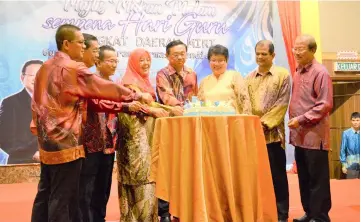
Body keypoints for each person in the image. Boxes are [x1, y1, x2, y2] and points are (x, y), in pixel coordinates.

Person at [30, 24, 150, 222]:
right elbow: (103, 88)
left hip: (47, 142)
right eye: (81, 43)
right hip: (67, 142)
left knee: (45, 192)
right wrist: (135, 95)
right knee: (63, 197)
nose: (83, 47)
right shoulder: (73, 68)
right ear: (67, 44)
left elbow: (35, 104)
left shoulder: (45, 66)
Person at [79, 35, 144, 221]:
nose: (114, 64)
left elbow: (125, 100)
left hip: (109, 141)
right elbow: (98, 103)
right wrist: (127, 105)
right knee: (88, 187)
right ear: (97, 61)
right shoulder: (90, 80)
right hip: (90, 142)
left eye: (116, 61)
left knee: (103, 186)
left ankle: (100, 218)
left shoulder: (116, 82)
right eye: (110, 61)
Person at [117, 48, 170, 222]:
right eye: (141, 60)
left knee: (146, 180)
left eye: (148, 60)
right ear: (133, 63)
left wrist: (164, 110)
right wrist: (157, 111)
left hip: (146, 140)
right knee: (141, 181)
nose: (146, 63)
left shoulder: (144, 82)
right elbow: (135, 109)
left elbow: (152, 105)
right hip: (136, 145)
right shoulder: (128, 84)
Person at [288, 35, 333, 222]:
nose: (297, 52)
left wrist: (300, 119)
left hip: (315, 137)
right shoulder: (298, 71)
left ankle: (320, 217)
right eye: (295, 49)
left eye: (301, 49)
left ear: (312, 50)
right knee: (304, 178)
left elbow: (325, 104)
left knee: (317, 180)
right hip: (300, 136)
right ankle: (309, 213)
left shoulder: (320, 72)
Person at [246, 40, 291, 222]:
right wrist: (250, 124)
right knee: (256, 178)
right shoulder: (248, 77)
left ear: (273, 55)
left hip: (273, 136)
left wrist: (263, 124)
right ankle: (261, 212)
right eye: (257, 53)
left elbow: (282, 104)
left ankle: (281, 214)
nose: (260, 57)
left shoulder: (283, 75)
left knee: (278, 176)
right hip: (253, 136)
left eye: (264, 54)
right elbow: (245, 104)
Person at [156, 40, 198, 222]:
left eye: (183, 53)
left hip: (188, 127)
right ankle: (164, 212)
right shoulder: (162, 74)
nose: (180, 57)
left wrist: (194, 109)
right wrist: (184, 109)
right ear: (167, 56)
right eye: (176, 54)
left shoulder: (192, 74)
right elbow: (167, 98)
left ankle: (183, 208)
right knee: (167, 167)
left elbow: (194, 98)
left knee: (186, 168)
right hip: (170, 126)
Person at [0, 59, 43, 164]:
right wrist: (32, 154)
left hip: (53, 166)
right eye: (32, 75)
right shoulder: (10, 103)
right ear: (22, 77)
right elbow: (4, 138)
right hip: (22, 164)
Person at [198, 44, 251, 114]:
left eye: (220, 60)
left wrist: (246, 120)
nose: (216, 64)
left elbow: (245, 101)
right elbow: (199, 105)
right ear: (209, 61)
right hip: (209, 122)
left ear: (227, 61)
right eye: (213, 60)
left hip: (232, 122)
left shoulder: (234, 76)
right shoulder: (204, 81)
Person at [340, 112, 360, 179]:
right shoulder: (346, 133)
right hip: (350, 163)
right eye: (353, 120)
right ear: (351, 121)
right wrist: (343, 165)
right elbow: (342, 150)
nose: (355, 122)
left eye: (357, 120)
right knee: (352, 185)